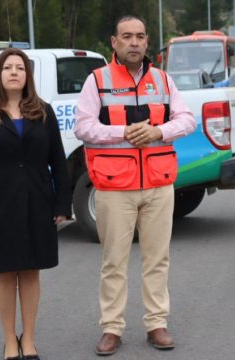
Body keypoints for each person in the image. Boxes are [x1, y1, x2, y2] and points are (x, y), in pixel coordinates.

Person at [74, 15, 196, 355]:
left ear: (146, 42)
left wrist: (158, 131)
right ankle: (112, 328)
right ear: (114, 42)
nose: (135, 42)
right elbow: (84, 128)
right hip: (114, 187)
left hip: (158, 184)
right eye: (127, 36)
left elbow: (187, 120)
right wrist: (124, 133)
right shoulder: (97, 81)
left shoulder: (163, 80)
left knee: (158, 259)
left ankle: (156, 324)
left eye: (140, 36)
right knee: (114, 261)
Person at [0, 48, 72, 360]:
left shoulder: (43, 112)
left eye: (19, 67)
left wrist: (63, 203)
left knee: (31, 271)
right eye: (7, 67)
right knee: (5, 272)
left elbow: (58, 163)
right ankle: (10, 340)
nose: (13, 72)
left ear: (27, 75)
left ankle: (29, 339)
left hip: (38, 202)